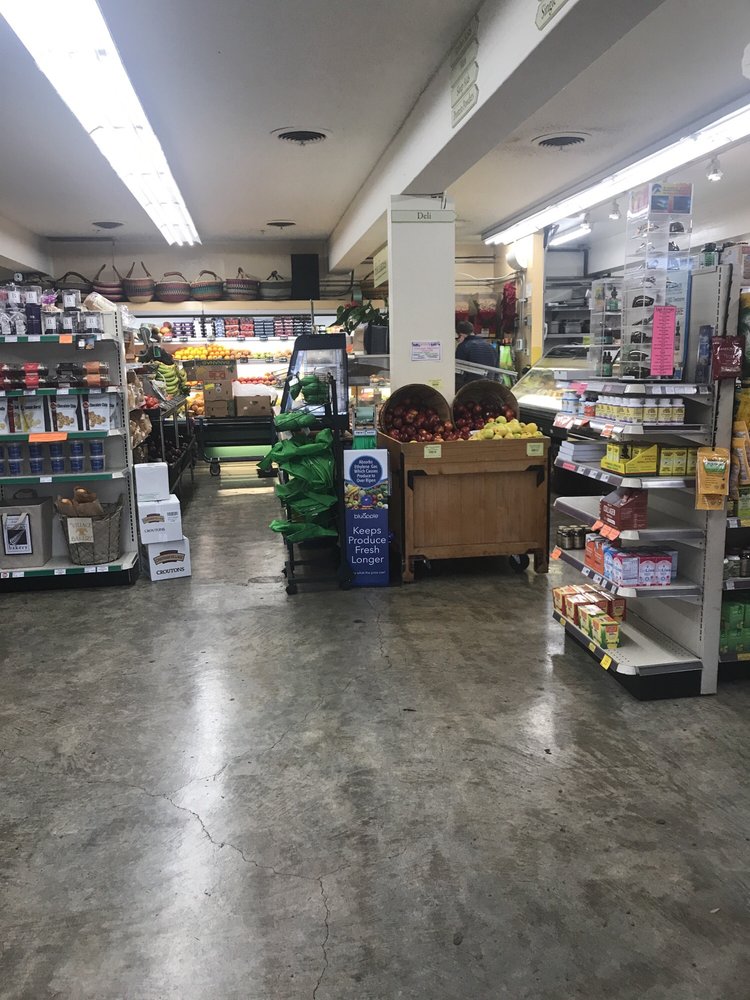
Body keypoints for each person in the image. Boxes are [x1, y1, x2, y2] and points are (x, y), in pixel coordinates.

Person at [455, 320, 499, 386]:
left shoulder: (463, 347)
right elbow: (496, 372)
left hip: (470, 387)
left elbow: (458, 373)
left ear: (461, 335)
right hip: (489, 386)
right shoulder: (490, 347)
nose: (458, 341)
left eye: (457, 338)